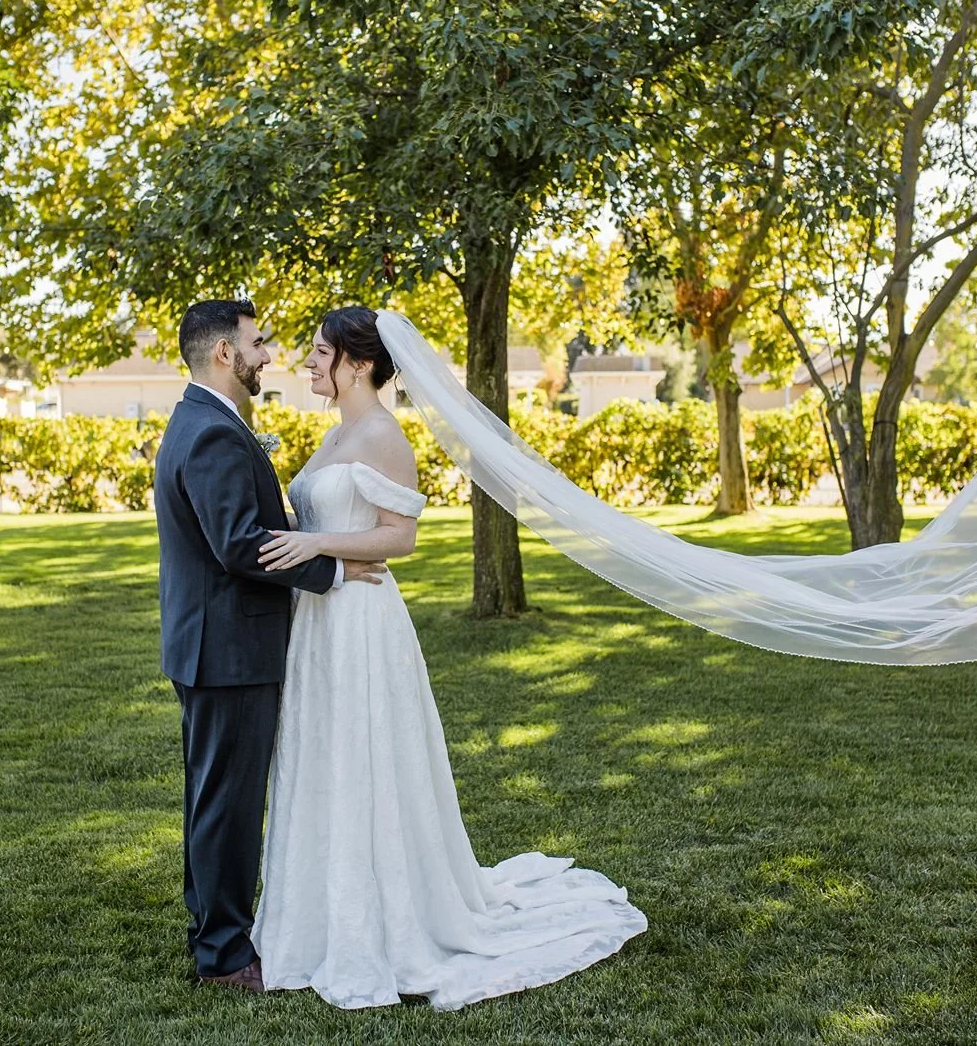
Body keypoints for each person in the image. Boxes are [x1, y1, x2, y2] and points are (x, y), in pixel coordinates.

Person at [250, 305, 646, 1010]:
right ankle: (315, 915)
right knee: (326, 757)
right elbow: (317, 518)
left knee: (366, 757)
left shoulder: (381, 434)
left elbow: (399, 538)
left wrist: (317, 545)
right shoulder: (338, 432)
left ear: (359, 363)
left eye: (319, 353)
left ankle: (385, 917)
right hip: (319, 622)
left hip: (362, 622)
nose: (307, 363)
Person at [152, 298, 386, 991]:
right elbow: (240, 545)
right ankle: (223, 955)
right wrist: (336, 568)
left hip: (209, 644)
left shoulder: (202, 419)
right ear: (224, 353)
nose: (267, 354)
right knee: (227, 803)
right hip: (229, 647)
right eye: (257, 343)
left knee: (213, 797)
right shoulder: (214, 432)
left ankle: (212, 930)